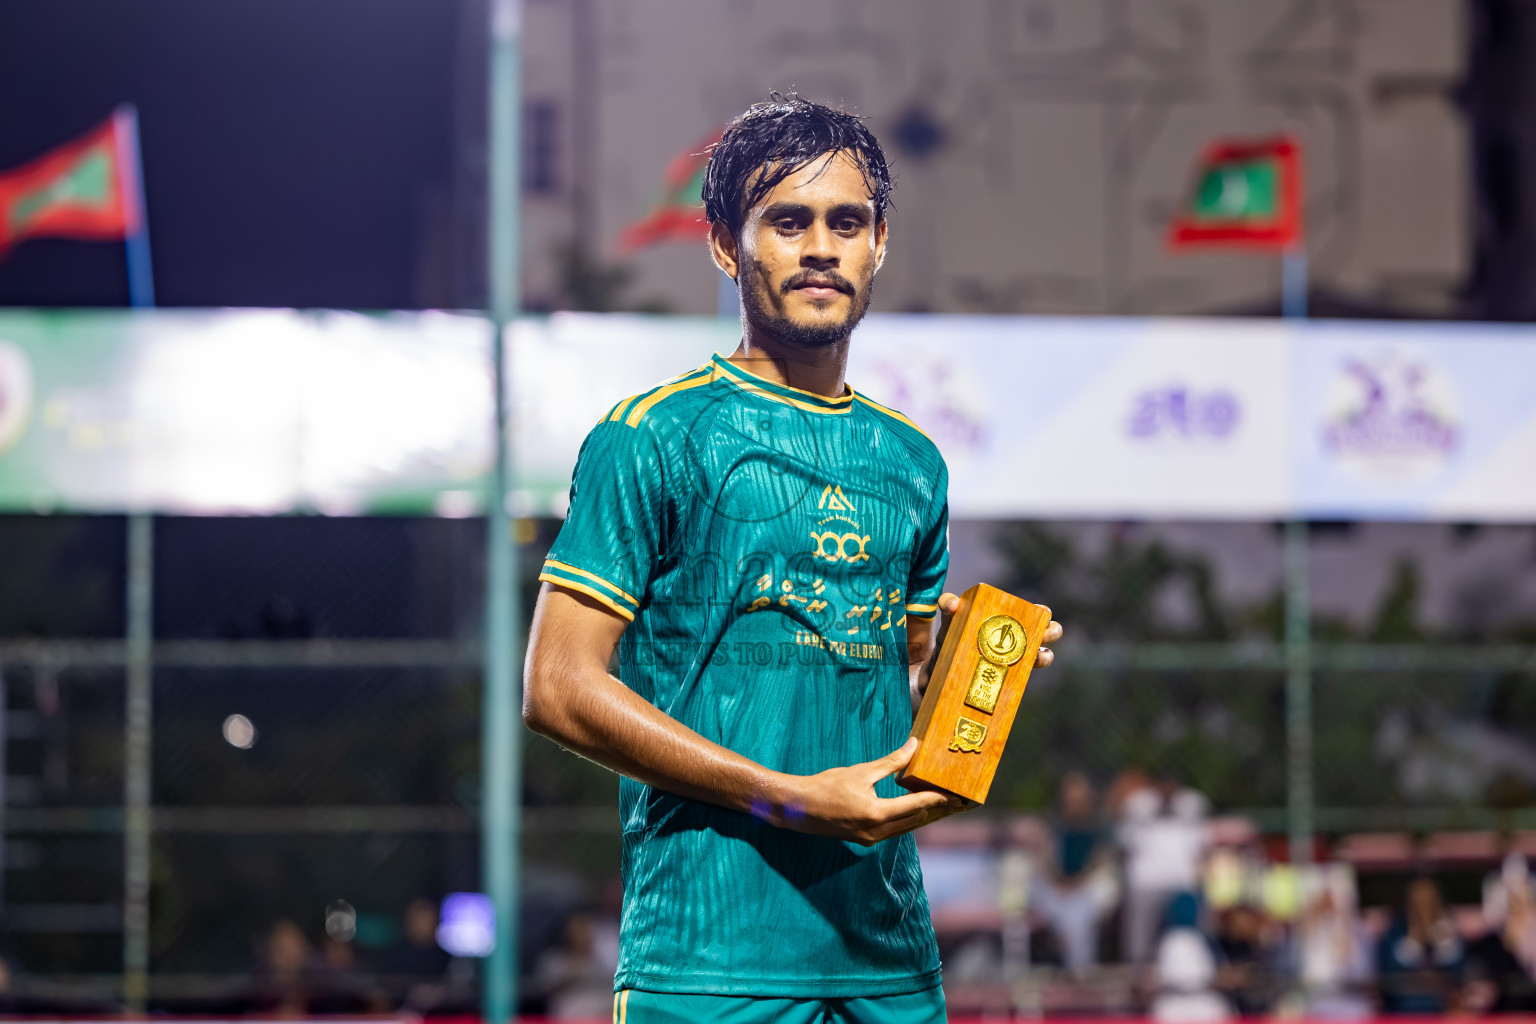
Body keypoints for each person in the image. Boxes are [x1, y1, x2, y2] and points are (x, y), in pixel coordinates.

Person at [523, 92, 1063, 1024]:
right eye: (788, 221)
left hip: (885, 956)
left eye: (846, 222)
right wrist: (788, 799)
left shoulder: (913, 463)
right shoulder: (653, 437)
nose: (821, 247)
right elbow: (558, 686)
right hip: (707, 964)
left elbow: (888, 669)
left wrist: (973, 662)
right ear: (727, 248)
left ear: (879, 242)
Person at [1030, 772, 1115, 973]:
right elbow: (1045, 859)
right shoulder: (1054, 824)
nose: (1073, 802)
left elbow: (1101, 861)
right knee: (1055, 905)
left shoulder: (1100, 826)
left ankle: (1079, 969)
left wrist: (1076, 883)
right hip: (1057, 886)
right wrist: (1058, 881)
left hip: (1086, 885)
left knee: (1080, 910)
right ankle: (1058, 963)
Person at [1376, 875, 1464, 1013]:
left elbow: (1457, 967)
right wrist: (1415, 934)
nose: (1423, 903)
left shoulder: (1446, 927)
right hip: (1404, 1008)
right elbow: (1389, 967)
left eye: (1430, 899)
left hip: (1440, 1007)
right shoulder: (1396, 928)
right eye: (1418, 898)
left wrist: (1442, 937)